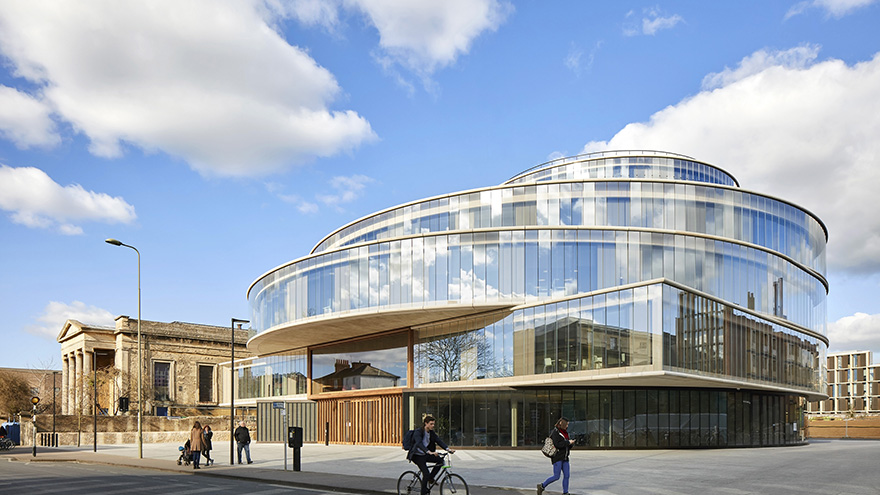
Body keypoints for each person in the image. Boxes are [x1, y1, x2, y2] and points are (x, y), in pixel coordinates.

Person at [407, 415, 455, 495]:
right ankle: (423, 492)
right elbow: (419, 443)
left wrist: (448, 449)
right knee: (425, 473)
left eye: (433, 424)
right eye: (431, 424)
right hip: (417, 455)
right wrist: (428, 451)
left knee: (440, 461)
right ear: (426, 423)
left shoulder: (431, 433)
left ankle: (430, 478)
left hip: (425, 454)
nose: (433, 426)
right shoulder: (418, 432)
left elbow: (438, 441)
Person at [537, 417, 575, 495]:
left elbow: (566, 445)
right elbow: (558, 444)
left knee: (567, 475)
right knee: (556, 476)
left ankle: (565, 492)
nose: (567, 426)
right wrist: (568, 442)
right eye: (566, 424)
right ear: (563, 424)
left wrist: (571, 444)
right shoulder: (555, 432)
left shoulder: (565, 433)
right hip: (557, 457)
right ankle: (542, 486)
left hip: (565, 457)